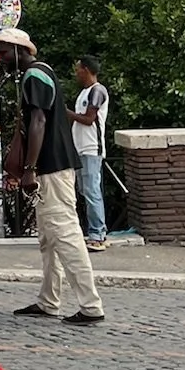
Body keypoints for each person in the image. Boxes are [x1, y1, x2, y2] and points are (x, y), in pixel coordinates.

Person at [0, 28, 106, 326]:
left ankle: (90, 305)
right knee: (49, 239)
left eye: (5, 52)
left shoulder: (33, 76)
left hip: (51, 168)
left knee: (65, 233)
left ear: (19, 50)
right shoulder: (40, 73)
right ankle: (49, 300)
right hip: (54, 166)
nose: (1, 58)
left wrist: (30, 168)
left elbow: (38, 120)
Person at [72, 56, 109, 249]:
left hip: (92, 148)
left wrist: (65, 113)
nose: (76, 72)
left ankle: (98, 233)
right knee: (85, 190)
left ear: (86, 70)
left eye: (78, 69)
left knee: (92, 190)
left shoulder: (97, 91)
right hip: (81, 147)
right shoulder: (84, 93)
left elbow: (88, 119)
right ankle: (94, 231)